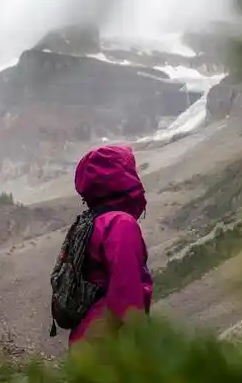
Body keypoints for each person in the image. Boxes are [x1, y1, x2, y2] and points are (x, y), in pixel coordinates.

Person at [68, 144, 153, 346]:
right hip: (109, 345)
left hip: (86, 340)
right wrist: (143, 345)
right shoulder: (120, 223)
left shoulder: (91, 221)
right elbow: (126, 296)